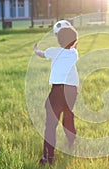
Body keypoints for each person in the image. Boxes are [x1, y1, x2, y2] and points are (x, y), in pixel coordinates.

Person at [34, 26, 79, 165]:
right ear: (74, 42)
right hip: (71, 91)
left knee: (51, 125)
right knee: (67, 115)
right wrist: (73, 42)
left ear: (58, 40)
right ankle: (71, 141)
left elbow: (41, 54)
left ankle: (48, 158)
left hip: (57, 91)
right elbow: (73, 47)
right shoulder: (74, 54)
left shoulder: (53, 52)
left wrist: (36, 50)